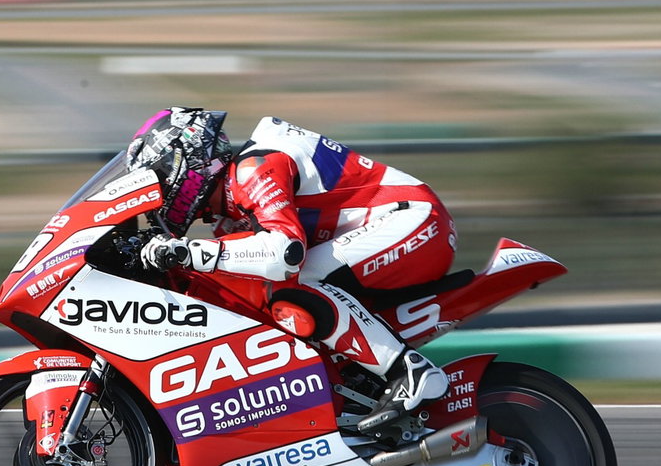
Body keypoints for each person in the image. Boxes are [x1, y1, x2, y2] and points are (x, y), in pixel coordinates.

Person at [124, 107, 452, 429]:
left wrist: (186, 253)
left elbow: (285, 254)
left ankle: (411, 372)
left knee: (295, 282)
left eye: (160, 178)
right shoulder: (228, 210)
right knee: (266, 293)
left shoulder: (255, 167)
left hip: (418, 221)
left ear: (187, 163)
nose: (159, 194)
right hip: (389, 231)